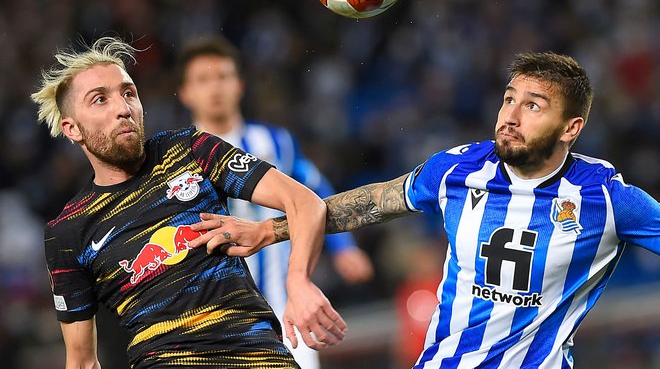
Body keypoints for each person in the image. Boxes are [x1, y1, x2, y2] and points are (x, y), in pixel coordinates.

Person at [189, 52, 660, 368]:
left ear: (570, 128)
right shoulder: (458, 170)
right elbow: (372, 203)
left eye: (533, 106)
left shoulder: (608, 200)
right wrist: (268, 231)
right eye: (508, 99)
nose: (510, 116)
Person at [30, 36, 347, 369]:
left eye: (128, 93)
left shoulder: (189, 151)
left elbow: (305, 201)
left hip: (261, 356)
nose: (122, 108)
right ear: (72, 129)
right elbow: (80, 362)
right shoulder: (68, 232)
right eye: (100, 100)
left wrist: (298, 280)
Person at [175, 35, 374, 369]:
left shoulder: (276, 143)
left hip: (285, 308)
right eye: (203, 80)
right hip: (213, 318)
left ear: (239, 84)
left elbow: (316, 191)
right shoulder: (176, 159)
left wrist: (344, 247)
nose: (215, 88)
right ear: (185, 93)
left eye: (223, 77)